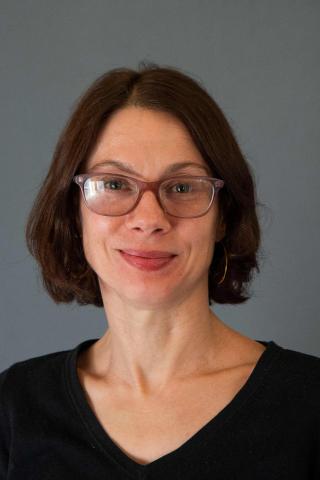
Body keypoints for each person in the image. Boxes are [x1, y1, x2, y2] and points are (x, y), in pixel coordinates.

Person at [0, 62, 319, 479]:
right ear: (74, 213)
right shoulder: (14, 408)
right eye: (114, 184)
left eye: (183, 187)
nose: (149, 218)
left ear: (223, 217)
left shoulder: (310, 405)